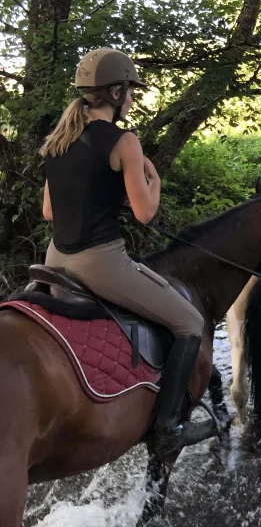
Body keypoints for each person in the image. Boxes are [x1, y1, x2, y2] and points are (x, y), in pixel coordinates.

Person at [40, 48, 204, 448]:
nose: (132, 97)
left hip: (54, 258)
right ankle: (169, 428)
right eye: (130, 90)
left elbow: (48, 211)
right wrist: (154, 179)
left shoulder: (59, 140)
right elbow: (145, 213)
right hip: (99, 263)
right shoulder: (124, 141)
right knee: (190, 323)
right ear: (115, 92)